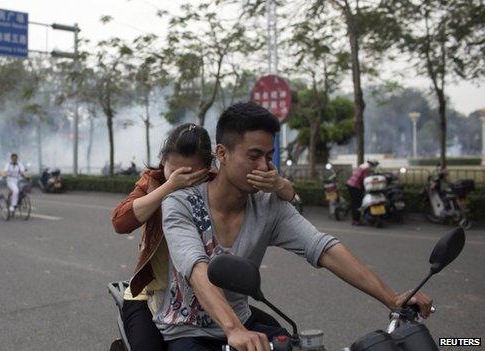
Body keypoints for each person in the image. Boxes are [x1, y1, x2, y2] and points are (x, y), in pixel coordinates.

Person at [157, 102, 432, 351]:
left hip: (244, 325)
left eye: (269, 155)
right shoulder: (180, 203)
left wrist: (391, 298)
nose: (265, 167)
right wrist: (234, 330)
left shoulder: (268, 205)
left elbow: (322, 247)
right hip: (189, 332)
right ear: (222, 153)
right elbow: (196, 269)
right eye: (254, 155)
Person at [111, 123, 295, 351]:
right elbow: (120, 222)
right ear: (163, 160)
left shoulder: (217, 187)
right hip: (152, 298)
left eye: (190, 174)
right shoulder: (153, 183)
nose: (184, 180)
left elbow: (277, 196)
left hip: (205, 300)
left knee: (280, 338)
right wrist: (169, 187)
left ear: (208, 167)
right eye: (175, 171)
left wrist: (281, 185)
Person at [346, 160, 379, 225]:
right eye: (374, 166)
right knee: (357, 204)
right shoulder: (366, 169)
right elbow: (366, 180)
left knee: (355, 203)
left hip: (351, 184)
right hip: (355, 186)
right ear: (372, 165)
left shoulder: (363, 166)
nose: (374, 167)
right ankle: (356, 220)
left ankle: (356, 219)